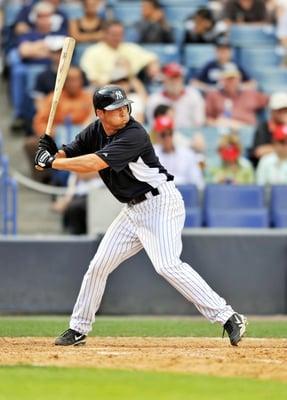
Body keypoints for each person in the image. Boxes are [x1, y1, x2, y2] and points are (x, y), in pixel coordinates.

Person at [34, 85, 247, 347]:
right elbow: (71, 153)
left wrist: (52, 162)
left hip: (161, 203)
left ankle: (229, 316)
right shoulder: (95, 130)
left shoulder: (134, 134)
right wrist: (49, 154)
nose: (123, 112)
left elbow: (92, 164)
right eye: (115, 109)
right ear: (100, 113)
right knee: (98, 266)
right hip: (132, 211)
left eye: (125, 106)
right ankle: (78, 328)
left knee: (167, 264)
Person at [79, 20, 160, 86]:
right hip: (104, 90)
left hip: (130, 89)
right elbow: (92, 79)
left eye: (120, 35)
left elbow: (151, 58)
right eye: (114, 35)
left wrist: (153, 67)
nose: (117, 38)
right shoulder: (93, 51)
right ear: (105, 33)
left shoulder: (130, 48)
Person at [205, 63, 268, 128]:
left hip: (248, 130)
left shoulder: (250, 94)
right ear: (221, 80)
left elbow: (271, 101)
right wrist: (218, 123)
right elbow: (207, 120)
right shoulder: (213, 95)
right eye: (228, 79)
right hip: (224, 131)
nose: (231, 82)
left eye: (233, 78)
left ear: (239, 79)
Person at [146, 62, 205, 130]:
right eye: (171, 78)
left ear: (182, 79)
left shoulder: (193, 95)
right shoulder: (154, 100)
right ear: (164, 79)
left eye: (177, 77)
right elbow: (153, 127)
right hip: (165, 137)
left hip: (189, 137)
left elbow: (199, 124)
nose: (175, 81)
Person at [152, 115, 204, 189]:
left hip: (185, 195)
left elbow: (197, 181)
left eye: (170, 133)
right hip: (161, 196)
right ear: (158, 136)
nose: (167, 138)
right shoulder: (151, 154)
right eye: (163, 135)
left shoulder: (187, 154)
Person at [191, 38, 256, 93]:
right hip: (212, 97)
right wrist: (208, 88)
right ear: (216, 51)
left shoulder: (236, 65)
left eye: (225, 50)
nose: (223, 53)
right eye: (220, 50)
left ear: (230, 52)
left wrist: (238, 87)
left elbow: (252, 83)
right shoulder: (210, 65)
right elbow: (194, 82)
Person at [251, 92, 287, 167]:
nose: (283, 113)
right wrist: (280, 149)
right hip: (268, 167)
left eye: (285, 110)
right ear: (272, 111)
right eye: (279, 110)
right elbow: (259, 151)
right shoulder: (264, 127)